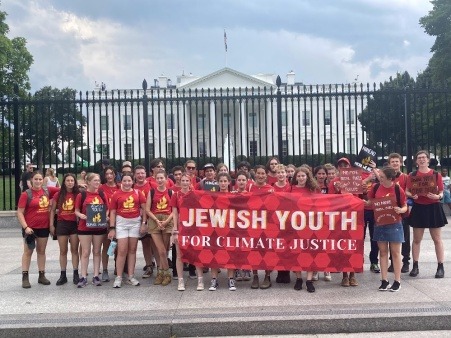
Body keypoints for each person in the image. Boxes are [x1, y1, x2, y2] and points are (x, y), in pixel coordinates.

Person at [406, 150, 447, 278]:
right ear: (416, 161)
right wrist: (412, 195)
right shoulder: (412, 175)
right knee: (417, 239)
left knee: (437, 239)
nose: (422, 160)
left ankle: (440, 266)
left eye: (424, 157)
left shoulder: (436, 174)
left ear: (428, 160)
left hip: (433, 207)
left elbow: (441, 192)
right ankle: (415, 266)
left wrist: (437, 196)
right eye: (419, 158)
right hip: (419, 207)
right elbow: (406, 191)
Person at [368, 166, 407, 292]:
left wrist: (401, 210)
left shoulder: (397, 188)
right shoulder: (375, 187)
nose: (380, 178)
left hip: (394, 223)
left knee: (395, 253)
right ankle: (384, 280)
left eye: (382, 177)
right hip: (380, 223)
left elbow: (405, 206)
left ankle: (397, 280)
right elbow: (370, 202)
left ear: (390, 178)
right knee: (383, 252)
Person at [17, 171, 57, 288]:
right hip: (30, 228)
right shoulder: (26, 194)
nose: (38, 181)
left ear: (43, 180)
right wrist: (26, 227)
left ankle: (42, 275)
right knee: (28, 251)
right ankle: (25, 276)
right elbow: (19, 212)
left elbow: (63, 189)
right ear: (31, 180)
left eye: (40, 179)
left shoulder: (47, 191)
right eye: (36, 179)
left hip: (43, 227)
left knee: (41, 251)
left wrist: (80, 185)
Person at [109, 173, 147, 288]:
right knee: (121, 250)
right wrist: (112, 228)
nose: (127, 183)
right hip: (121, 223)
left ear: (132, 181)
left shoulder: (138, 193)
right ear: (121, 182)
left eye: (129, 181)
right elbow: (113, 212)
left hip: (135, 222)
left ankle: (131, 275)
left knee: (132, 249)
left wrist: (144, 223)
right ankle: (119, 277)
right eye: (124, 181)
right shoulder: (116, 194)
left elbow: (144, 209)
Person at [327, 157, 359, 287]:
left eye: (346, 165)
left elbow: (358, 198)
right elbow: (329, 201)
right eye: (341, 166)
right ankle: (344, 275)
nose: (343, 168)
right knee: (342, 246)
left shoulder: (354, 179)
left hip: (353, 217)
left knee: (354, 245)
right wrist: (337, 191)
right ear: (338, 168)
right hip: (340, 218)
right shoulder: (334, 182)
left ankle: (353, 274)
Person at [171, 173, 205, 291]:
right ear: (180, 182)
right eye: (183, 180)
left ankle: (200, 279)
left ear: (190, 182)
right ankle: (180, 281)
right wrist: (175, 229)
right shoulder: (175, 195)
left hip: (194, 227)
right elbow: (175, 213)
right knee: (179, 254)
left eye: (187, 180)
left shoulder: (195, 194)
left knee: (196, 253)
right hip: (181, 226)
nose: (185, 183)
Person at [74, 173, 108, 288]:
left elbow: (107, 209)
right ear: (88, 182)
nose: (97, 182)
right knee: (85, 252)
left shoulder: (102, 194)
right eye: (95, 180)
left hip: (99, 226)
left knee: (97, 251)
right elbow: (76, 210)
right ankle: (83, 276)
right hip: (84, 227)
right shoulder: (82, 195)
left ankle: (96, 275)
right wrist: (81, 215)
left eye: (98, 180)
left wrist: (105, 216)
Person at [291, 166, 319, 293]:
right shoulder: (291, 189)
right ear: (295, 177)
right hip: (294, 225)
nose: (301, 178)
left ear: (307, 177)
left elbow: (322, 204)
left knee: (310, 252)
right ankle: (298, 278)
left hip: (310, 225)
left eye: (303, 176)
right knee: (296, 252)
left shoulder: (313, 189)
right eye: (299, 176)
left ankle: (309, 280)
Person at [50, 173, 80, 285]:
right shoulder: (58, 194)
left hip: (74, 224)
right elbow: (52, 210)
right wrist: (51, 225)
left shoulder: (78, 194)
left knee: (74, 250)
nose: (70, 182)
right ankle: (63, 274)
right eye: (68, 180)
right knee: (63, 250)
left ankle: (76, 273)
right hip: (62, 223)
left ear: (75, 182)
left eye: (72, 180)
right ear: (64, 182)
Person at [209, 172, 237, 291]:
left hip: (229, 228)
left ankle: (231, 279)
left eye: (225, 181)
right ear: (217, 182)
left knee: (230, 253)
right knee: (214, 253)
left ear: (229, 182)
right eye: (221, 181)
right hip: (215, 228)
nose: (223, 183)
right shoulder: (212, 196)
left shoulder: (234, 196)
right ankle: (214, 280)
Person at [146, 169, 174, 286]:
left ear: (166, 179)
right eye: (158, 178)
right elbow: (147, 209)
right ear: (155, 179)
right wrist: (157, 220)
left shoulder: (171, 192)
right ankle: (166, 273)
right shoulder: (151, 192)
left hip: (167, 220)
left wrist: (167, 221)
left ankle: (161, 273)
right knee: (160, 250)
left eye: (162, 178)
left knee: (165, 250)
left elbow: (174, 210)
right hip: (155, 220)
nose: (160, 180)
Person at [249, 165, 274, 289]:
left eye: (263, 173)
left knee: (266, 250)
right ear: (255, 174)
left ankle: (267, 276)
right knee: (254, 250)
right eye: (258, 173)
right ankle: (255, 276)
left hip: (267, 223)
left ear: (266, 175)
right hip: (252, 223)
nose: (260, 175)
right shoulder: (250, 188)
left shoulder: (270, 189)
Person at [134, 165, 157, 279]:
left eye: (142, 173)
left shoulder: (152, 185)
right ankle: (149, 265)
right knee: (145, 243)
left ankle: (160, 266)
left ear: (145, 174)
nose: (140, 175)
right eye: (138, 173)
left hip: (152, 218)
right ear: (135, 175)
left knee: (155, 243)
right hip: (138, 219)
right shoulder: (132, 187)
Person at [99, 165, 120, 282]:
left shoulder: (119, 187)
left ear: (114, 174)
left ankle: (118, 267)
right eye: (106, 174)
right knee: (106, 246)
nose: (109, 176)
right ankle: (105, 270)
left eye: (111, 173)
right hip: (105, 220)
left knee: (118, 246)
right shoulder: (101, 188)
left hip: (118, 220)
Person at [312, 165, 332, 282]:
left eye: (323, 174)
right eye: (319, 174)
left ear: (326, 175)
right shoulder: (311, 186)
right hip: (314, 218)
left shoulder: (330, 186)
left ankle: (326, 268)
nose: (321, 176)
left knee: (326, 244)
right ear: (315, 175)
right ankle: (314, 269)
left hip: (327, 218)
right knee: (314, 244)